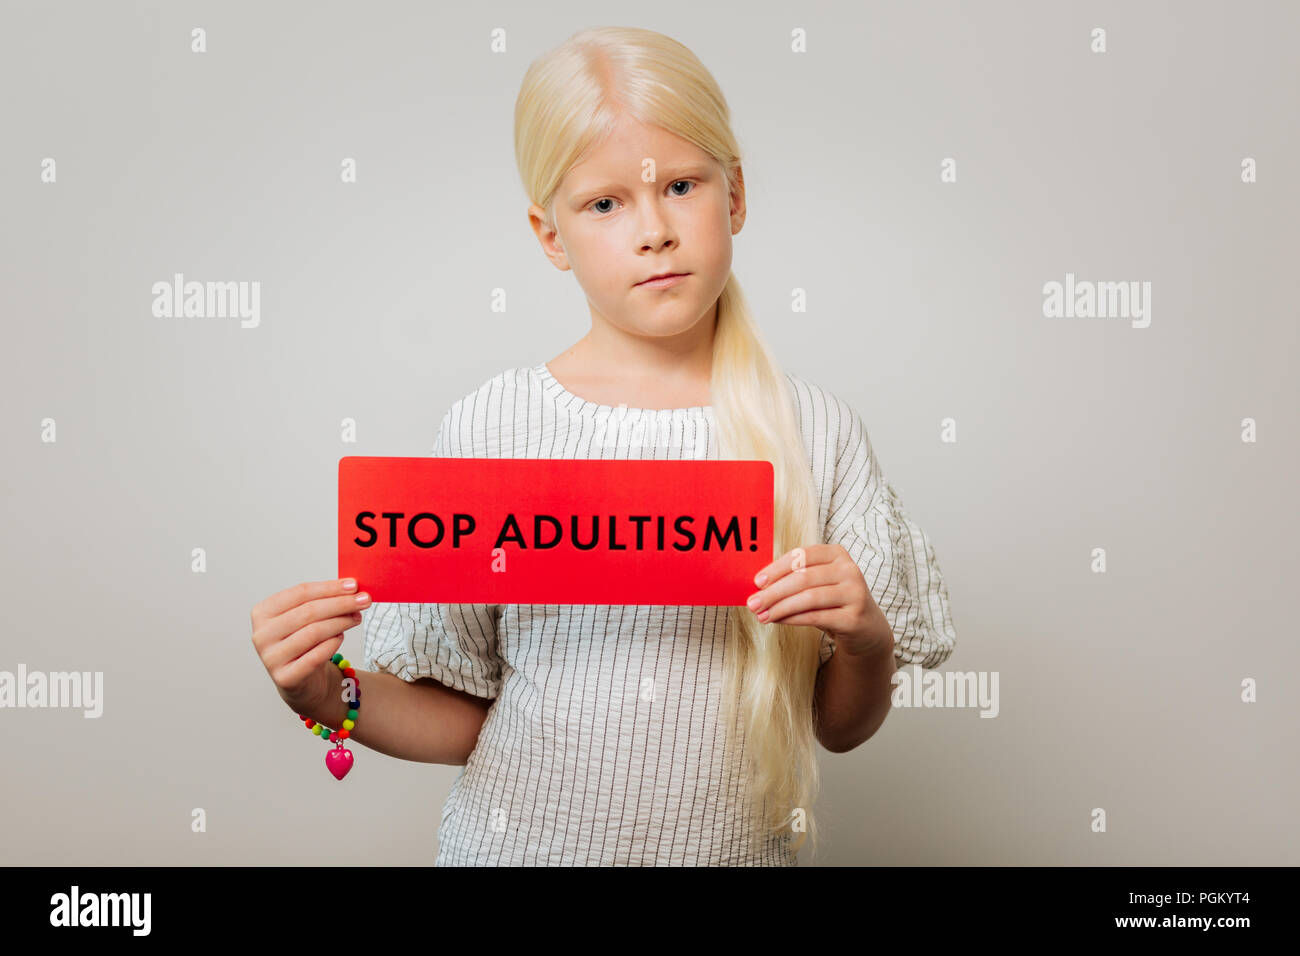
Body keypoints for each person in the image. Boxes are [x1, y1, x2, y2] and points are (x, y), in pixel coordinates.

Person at [251, 25, 957, 866]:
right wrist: (330, 694)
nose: (653, 230)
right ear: (552, 236)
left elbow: (838, 728)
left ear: (735, 196)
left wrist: (867, 640)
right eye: (605, 204)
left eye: (683, 186)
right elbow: (462, 720)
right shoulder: (490, 430)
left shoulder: (817, 434)